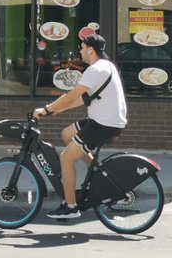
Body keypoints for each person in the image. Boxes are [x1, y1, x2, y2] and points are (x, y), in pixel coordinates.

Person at [33, 33, 127, 219]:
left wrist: (46, 109)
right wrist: (53, 112)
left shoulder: (95, 70)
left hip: (104, 124)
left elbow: (70, 96)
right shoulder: (105, 66)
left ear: (90, 49)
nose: (80, 50)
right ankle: (96, 171)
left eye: (82, 47)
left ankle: (70, 206)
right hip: (103, 120)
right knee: (67, 134)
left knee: (66, 158)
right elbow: (81, 99)